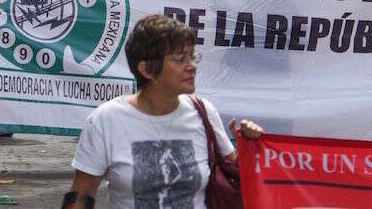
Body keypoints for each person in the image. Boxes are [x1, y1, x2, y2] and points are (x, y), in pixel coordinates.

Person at [65, 15, 263, 209]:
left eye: (192, 56)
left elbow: (237, 172)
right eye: (180, 59)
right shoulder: (105, 120)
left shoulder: (204, 112)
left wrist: (250, 145)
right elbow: (82, 193)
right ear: (147, 70)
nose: (192, 66)